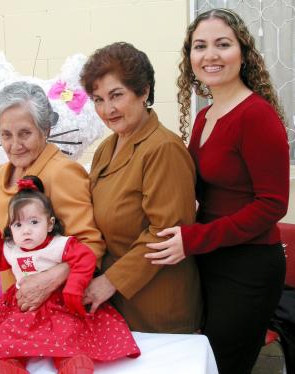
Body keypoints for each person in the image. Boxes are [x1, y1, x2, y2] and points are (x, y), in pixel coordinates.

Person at [145, 8, 290, 374]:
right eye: (200, 46)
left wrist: (194, 239)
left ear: (242, 53)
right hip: (209, 258)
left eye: (222, 44)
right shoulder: (205, 115)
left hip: (248, 268)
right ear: (189, 57)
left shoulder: (255, 115)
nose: (210, 55)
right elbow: (194, 186)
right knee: (199, 360)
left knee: (223, 366)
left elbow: (272, 205)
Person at [80, 42, 202, 333]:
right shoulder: (106, 148)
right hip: (113, 300)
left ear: (144, 91)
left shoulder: (163, 148)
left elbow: (165, 233)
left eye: (116, 95)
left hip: (156, 304)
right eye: (98, 99)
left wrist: (109, 282)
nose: (107, 109)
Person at [0, 176, 140, 374]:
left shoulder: (59, 244)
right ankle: (10, 363)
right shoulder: (12, 248)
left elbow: (85, 258)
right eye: (18, 225)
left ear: (49, 224)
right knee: (9, 329)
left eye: (33, 222)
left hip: (58, 303)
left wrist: (74, 289)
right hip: (23, 303)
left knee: (67, 330)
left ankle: (70, 361)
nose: (26, 231)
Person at [0, 81, 105, 312]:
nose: (15, 145)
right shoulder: (0, 175)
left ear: (46, 130)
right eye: (6, 135)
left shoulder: (62, 173)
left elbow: (91, 246)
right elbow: (8, 245)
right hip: (17, 308)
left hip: (57, 311)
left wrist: (50, 279)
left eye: (25, 133)